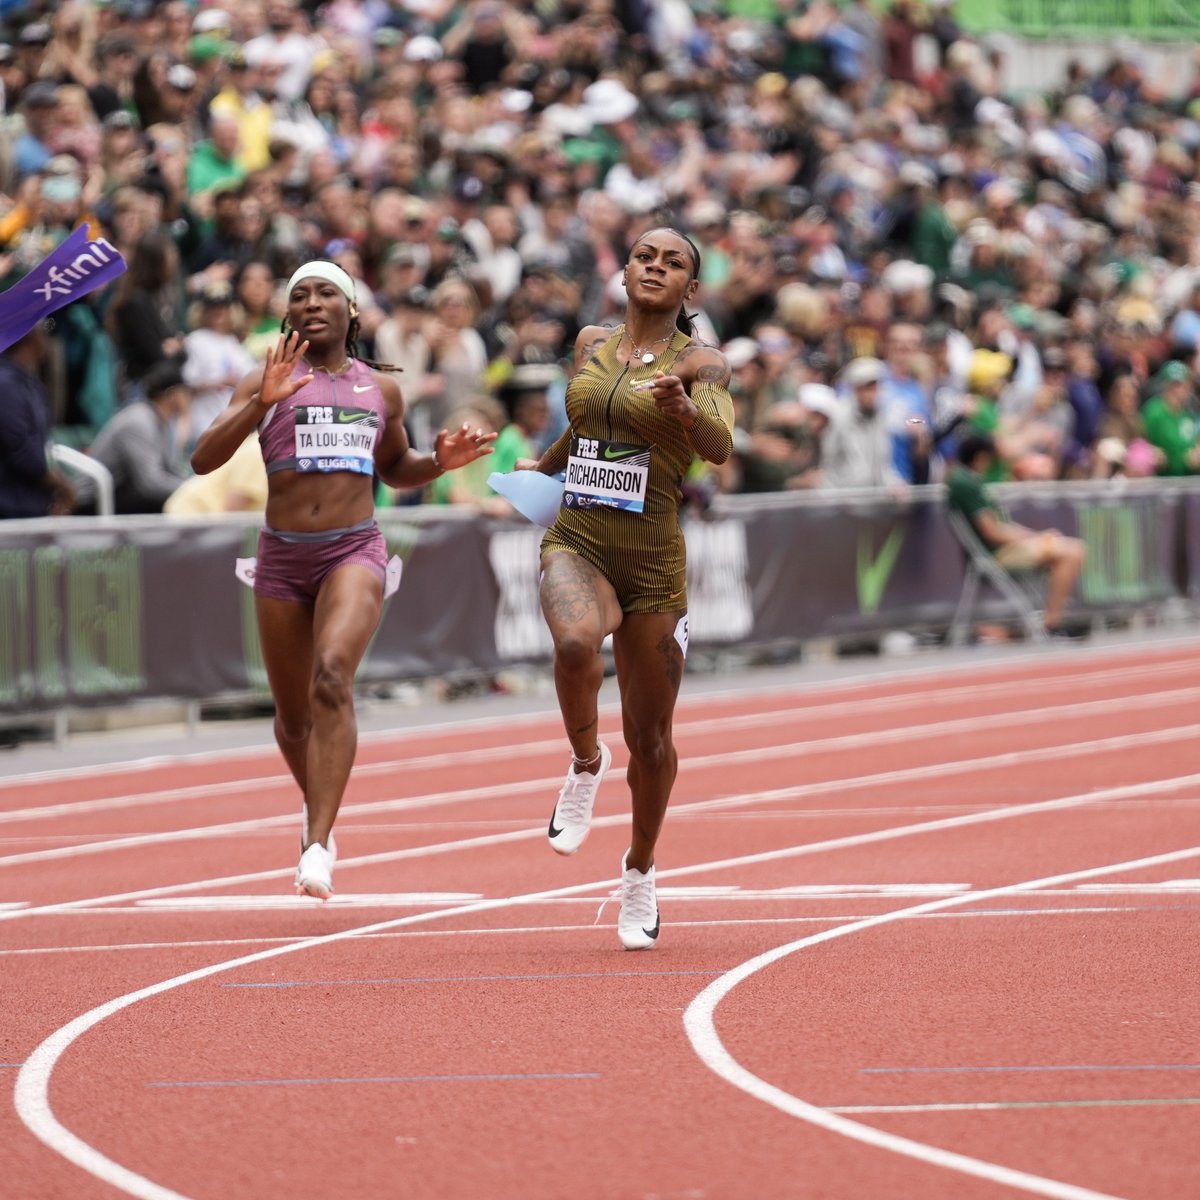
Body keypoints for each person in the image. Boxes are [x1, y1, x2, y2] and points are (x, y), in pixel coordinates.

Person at [189, 259, 496, 900]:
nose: (312, 302)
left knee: (332, 676)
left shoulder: (379, 390)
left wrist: (438, 463)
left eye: (327, 291)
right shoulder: (264, 378)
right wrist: (258, 403)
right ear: (288, 314)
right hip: (281, 556)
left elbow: (396, 468)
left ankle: (316, 843)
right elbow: (202, 458)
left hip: (353, 550)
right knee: (293, 719)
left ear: (352, 310)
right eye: (299, 294)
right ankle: (321, 808)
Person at [517, 227, 735, 950]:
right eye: (646, 255)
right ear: (626, 270)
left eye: (673, 262)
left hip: (653, 562)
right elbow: (585, 428)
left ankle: (639, 870)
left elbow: (719, 446)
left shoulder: (703, 363)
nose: (656, 267)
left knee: (652, 738)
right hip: (579, 535)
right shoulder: (589, 344)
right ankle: (584, 762)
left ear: (690, 290)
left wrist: (683, 410)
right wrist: (541, 469)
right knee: (575, 642)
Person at [946, 432, 1087, 638]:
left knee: (1070, 548)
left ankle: (1050, 618)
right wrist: (1035, 538)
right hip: (998, 554)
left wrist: (1037, 536)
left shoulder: (969, 480)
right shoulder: (965, 483)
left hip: (1004, 549)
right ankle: (1051, 622)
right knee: (1073, 552)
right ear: (980, 458)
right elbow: (992, 531)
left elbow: (1001, 526)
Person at [85, 359, 193, 514]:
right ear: (173, 394)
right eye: (186, 391)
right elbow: (150, 484)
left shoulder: (159, 420)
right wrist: (190, 488)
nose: (190, 396)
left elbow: (170, 469)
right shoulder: (139, 420)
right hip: (94, 503)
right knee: (175, 507)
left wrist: (196, 486)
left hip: (122, 493)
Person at [0, 321, 77, 519]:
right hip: (12, 509)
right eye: (46, 329)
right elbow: (23, 453)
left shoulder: (28, 382)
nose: (49, 337)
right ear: (31, 337)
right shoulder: (6, 385)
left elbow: (42, 445)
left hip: (32, 501)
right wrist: (65, 488)